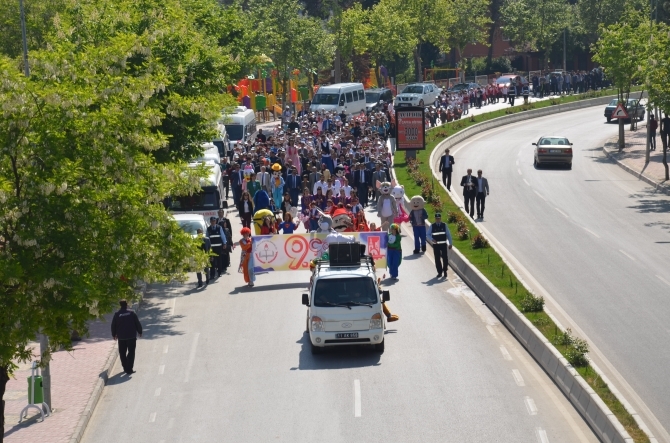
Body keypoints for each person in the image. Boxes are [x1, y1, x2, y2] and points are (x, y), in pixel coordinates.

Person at [111, 299, 143, 375]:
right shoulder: (131, 313)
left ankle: (125, 367)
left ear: (120, 305)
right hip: (131, 336)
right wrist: (140, 331)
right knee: (131, 352)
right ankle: (129, 368)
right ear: (126, 304)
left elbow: (113, 325)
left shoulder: (116, 314)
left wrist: (114, 334)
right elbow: (137, 323)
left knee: (122, 353)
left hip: (121, 337)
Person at [427, 213, 453, 279]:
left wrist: (450, 243)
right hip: (436, 245)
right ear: (435, 219)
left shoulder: (444, 225)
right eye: (436, 218)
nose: (438, 219)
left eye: (439, 218)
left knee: (445, 258)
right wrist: (432, 239)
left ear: (440, 218)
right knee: (437, 259)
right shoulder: (432, 226)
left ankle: (445, 270)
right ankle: (439, 272)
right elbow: (427, 234)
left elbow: (448, 234)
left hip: (443, 244)